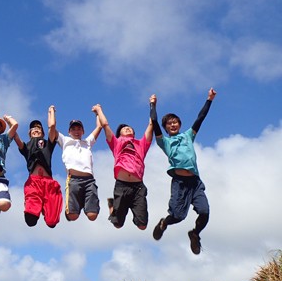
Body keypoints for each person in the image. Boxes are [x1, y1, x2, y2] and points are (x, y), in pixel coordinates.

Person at [151, 88, 217, 255]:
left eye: (175, 122)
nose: (173, 124)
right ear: (166, 128)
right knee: (178, 216)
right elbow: (154, 123)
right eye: (169, 123)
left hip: (195, 182)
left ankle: (195, 234)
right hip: (180, 184)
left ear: (179, 124)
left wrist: (209, 99)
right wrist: (152, 105)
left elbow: (200, 118)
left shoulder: (188, 135)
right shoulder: (164, 142)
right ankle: (164, 223)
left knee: (205, 211)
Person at [93, 102, 153, 230]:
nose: (127, 128)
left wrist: (152, 105)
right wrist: (99, 111)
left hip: (138, 187)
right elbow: (105, 125)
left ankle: (117, 206)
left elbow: (151, 124)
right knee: (117, 224)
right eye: (124, 128)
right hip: (122, 185)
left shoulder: (141, 144)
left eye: (130, 128)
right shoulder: (116, 143)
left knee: (142, 225)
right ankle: (112, 205)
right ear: (119, 134)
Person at [14, 105, 63, 228]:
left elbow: (52, 127)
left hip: (48, 183)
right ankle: (36, 206)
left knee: (52, 222)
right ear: (29, 133)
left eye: (38, 128)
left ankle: (46, 207)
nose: (36, 129)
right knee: (30, 219)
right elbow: (15, 137)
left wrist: (50, 112)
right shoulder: (26, 146)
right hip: (34, 183)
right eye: (33, 129)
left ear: (42, 132)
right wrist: (11, 123)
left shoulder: (47, 144)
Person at [57, 108, 102, 222]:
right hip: (74, 180)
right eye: (73, 129)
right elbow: (52, 128)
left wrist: (97, 113)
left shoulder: (87, 143)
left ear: (83, 131)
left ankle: (85, 204)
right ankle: (73, 207)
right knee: (73, 216)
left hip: (89, 180)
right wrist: (51, 112)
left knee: (92, 216)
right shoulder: (65, 141)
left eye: (79, 129)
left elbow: (99, 127)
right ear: (69, 131)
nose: (76, 131)